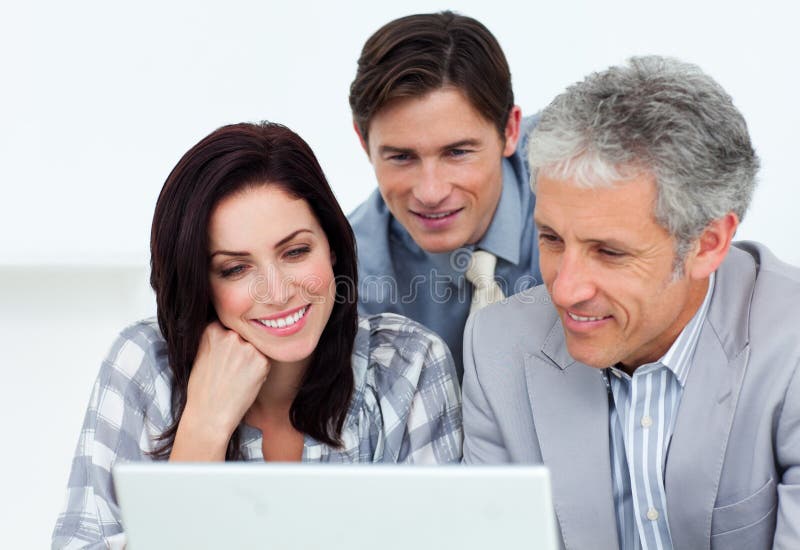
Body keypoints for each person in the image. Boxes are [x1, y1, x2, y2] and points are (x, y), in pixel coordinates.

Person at [53, 122, 463, 549]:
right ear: (201, 284)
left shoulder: (407, 365)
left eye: (296, 252)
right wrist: (203, 430)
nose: (279, 291)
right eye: (235, 268)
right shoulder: (144, 365)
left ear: (333, 246)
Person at [462, 56, 800, 549]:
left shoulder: (790, 343)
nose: (564, 289)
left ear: (707, 244)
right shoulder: (497, 346)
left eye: (610, 252)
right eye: (552, 239)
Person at [348, 11, 540, 378]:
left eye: (457, 152)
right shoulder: (352, 280)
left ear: (510, 130)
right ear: (363, 141)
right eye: (402, 157)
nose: (431, 192)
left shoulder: (591, 180)